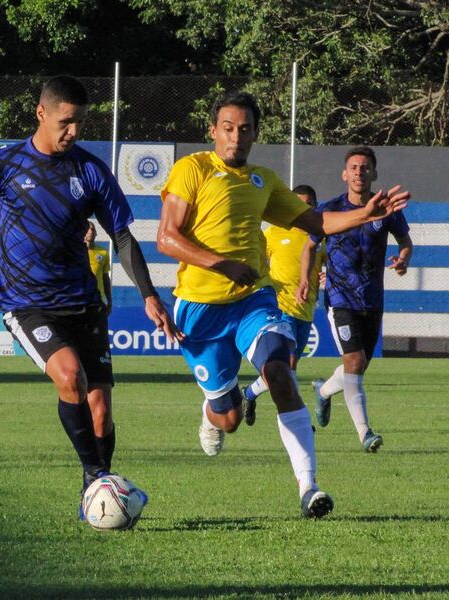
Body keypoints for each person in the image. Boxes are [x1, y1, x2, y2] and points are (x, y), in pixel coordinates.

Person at [0, 75, 182, 520]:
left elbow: (123, 237)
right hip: (26, 304)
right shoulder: (4, 163)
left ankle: (97, 496)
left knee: (101, 411)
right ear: (41, 113)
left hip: (84, 304)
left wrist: (149, 295)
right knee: (70, 377)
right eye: (66, 122)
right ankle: (96, 480)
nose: (74, 131)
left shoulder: (90, 171)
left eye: (81, 123)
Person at [157, 91, 409, 518]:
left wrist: (365, 214)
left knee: (280, 371)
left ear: (256, 133)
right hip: (198, 308)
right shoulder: (192, 169)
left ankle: (309, 487)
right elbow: (167, 238)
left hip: (253, 300)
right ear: (214, 131)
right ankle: (213, 408)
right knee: (230, 418)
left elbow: (319, 222)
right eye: (228, 128)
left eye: (245, 129)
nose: (236, 136)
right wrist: (222, 264)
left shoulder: (263, 180)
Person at [301, 146, 413, 453]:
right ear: (344, 174)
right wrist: (304, 280)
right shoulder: (330, 209)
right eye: (353, 167)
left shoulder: (387, 209)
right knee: (354, 361)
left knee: (357, 368)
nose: (359, 172)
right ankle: (365, 433)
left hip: (372, 300)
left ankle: (323, 392)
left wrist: (402, 260)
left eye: (365, 168)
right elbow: (310, 246)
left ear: (374, 173)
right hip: (339, 299)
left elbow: (405, 242)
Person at [241, 184, 325, 425]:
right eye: (298, 203)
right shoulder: (274, 232)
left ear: (315, 206)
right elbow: (257, 260)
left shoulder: (320, 238)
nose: (303, 208)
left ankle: (249, 393)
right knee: (287, 365)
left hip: (306, 309)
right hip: (279, 308)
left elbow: (332, 266)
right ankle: (299, 419)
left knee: (286, 368)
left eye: (308, 204)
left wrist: (327, 277)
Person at [85, 220, 112, 315]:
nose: (91, 231)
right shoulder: (74, 251)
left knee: (98, 329)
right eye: (87, 229)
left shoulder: (103, 253)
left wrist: (109, 300)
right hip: (79, 300)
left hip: (97, 300)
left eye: (93, 229)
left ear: (96, 233)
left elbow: (105, 278)